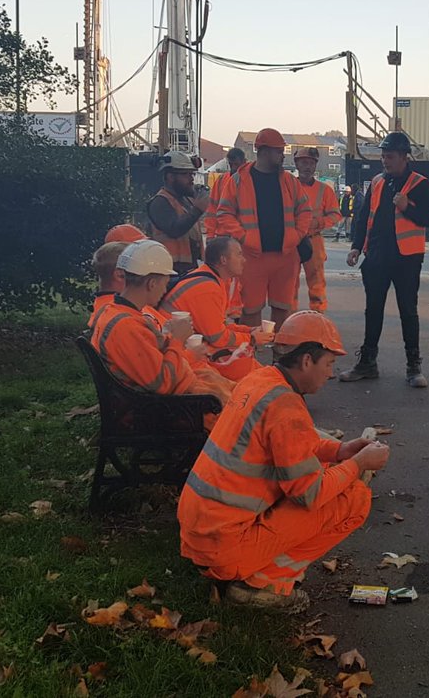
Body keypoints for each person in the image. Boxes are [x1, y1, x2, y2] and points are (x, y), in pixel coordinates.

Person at [178, 310, 390, 614]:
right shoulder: (286, 406)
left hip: (202, 535)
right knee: (354, 499)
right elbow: (309, 494)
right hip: (224, 548)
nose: (330, 374)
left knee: (333, 474)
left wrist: (341, 451)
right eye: (328, 364)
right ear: (306, 361)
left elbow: (294, 446)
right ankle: (262, 585)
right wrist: (359, 464)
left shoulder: (261, 380)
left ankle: (252, 571)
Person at [339, 132, 429, 389]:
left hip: (407, 259)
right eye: (383, 156)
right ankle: (368, 363)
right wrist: (355, 247)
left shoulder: (419, 184)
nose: (385, 161)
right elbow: (363, 218)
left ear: (404, 157)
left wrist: (408, 206)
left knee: (408, 311)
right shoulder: (376, 182)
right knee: (373, 310)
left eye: (390, 157)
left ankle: (413, 366)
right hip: (376, 257)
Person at [89, 240, 226, 399]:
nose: (164, 290)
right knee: (248, 409)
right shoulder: (125, 325)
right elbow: (162, 383)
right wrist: (177, 340)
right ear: (152, 284)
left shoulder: (118, 312)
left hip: (181, 394)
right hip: (177, 406)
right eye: (165, 284)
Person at [215, 128, 312, 330]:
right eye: (278, 151)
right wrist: (243, 237)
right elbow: (224, 213)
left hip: (285, 257)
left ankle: (280, 356)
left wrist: (297, 235)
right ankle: (249, 355)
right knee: (250, 311)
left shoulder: (288, 181)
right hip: (251, 257)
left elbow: (304, 210)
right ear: (263, 151)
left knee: (283, 310)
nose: (282, 155)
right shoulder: (238, 180)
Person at [159, 236, 273, 382]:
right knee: (248, 375)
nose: (244, 260)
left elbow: (217, 328)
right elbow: (218, 338)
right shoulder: (208, 288)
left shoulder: (213, 279)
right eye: (239, 254)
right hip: (178, 350)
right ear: (223, 260)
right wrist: (251, 339)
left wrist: (248, 331)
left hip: (179, 345)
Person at [293, 146, 341, 312]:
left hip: (314, 240)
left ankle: (317, 316)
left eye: (311, 163)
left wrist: (318, 223)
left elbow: (335, 215)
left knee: (317, 282)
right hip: (291, 241)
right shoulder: (289, 187)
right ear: (297, 165)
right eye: (304, 163)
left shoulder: (324, 190)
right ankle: (288, 317)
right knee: (289, 283)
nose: (308, 167)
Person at [148, 151, 208, 275]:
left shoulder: (185, 200)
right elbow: (175, 230)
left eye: (192, 174)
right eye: (185, 174)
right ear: (170, 177)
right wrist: (197, 210)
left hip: (189, 269)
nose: (191, 179)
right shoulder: (159, 202)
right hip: (169, 273)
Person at [204, 147, 246, 238]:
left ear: (244, 162)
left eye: (236, 164)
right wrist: (210, 235)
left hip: (243, 237)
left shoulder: (250, 182)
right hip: (224, 236)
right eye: (231, 164)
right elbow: (212, 209)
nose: (234, 168)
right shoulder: (221, 181)